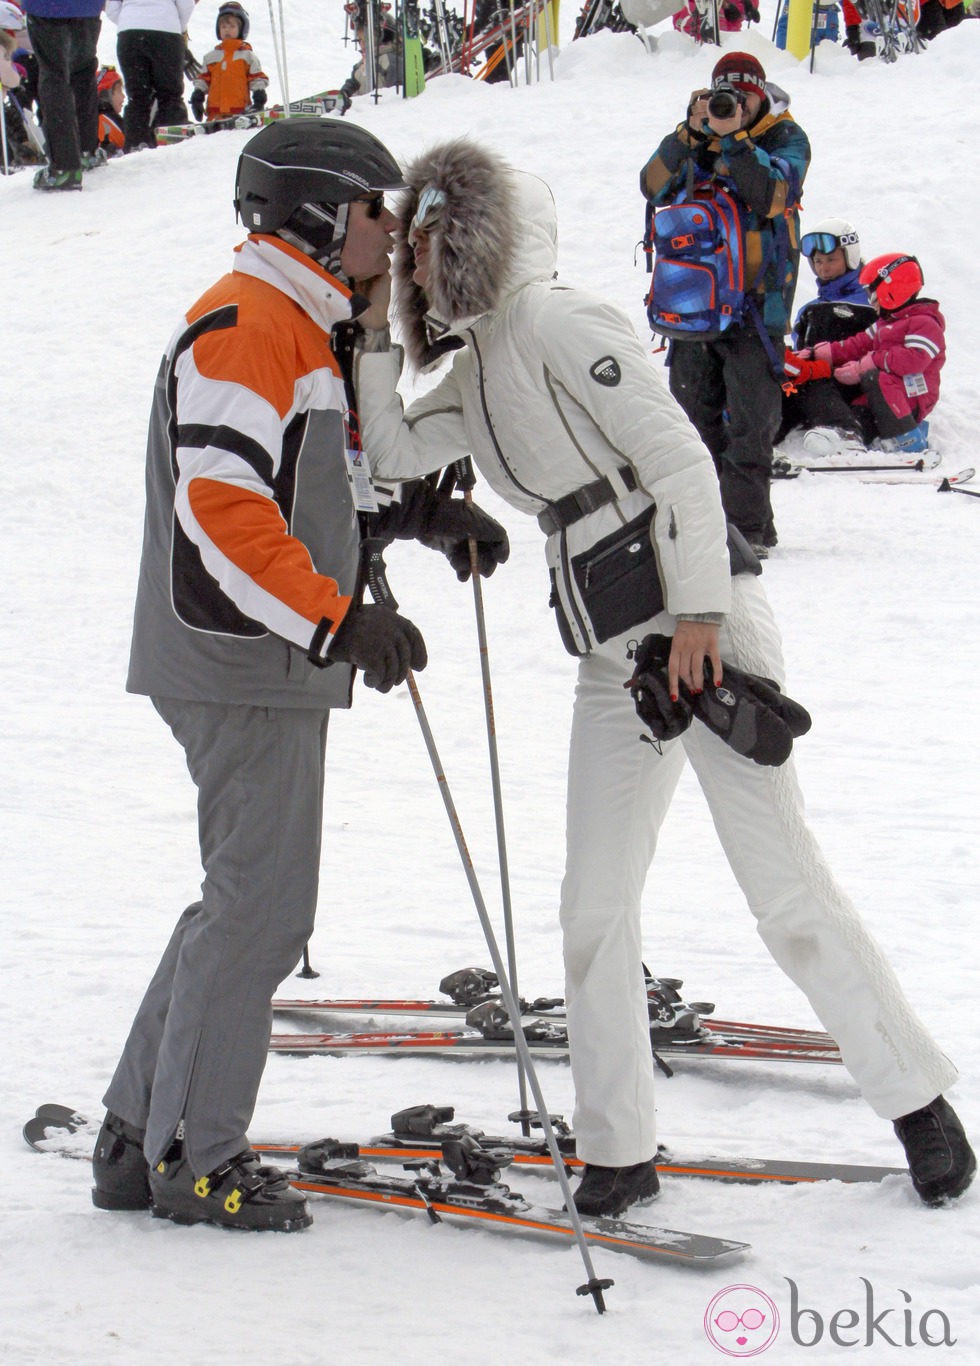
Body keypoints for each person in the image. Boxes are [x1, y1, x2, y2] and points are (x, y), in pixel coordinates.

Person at [352, 136, 975, 1217]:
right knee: (591, 905)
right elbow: (397, 448)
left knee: (782, 890)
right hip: (613, 657)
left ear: (480, 242)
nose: (413, 260)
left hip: (704, 626)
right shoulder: (475, 368)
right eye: (409, 248)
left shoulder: (559, 322)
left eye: (427, 242)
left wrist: (697, 611)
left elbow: (681, 457)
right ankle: (618, 1148)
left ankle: (919, 1102)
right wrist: (367, 332)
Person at [90, 119, 509, 1233]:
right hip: (241, 658)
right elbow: (222, 515)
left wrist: (419, 515)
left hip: (261, 655)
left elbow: (312, 483)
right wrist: (337, 623)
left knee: (239, 903)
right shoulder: (244, 327)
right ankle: (193, 1153)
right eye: (381, 209)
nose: (394, 232)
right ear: (324, 215)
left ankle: (140, 1132)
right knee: (261, 913)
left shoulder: (300, 325)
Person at [640, 51, 810, 558]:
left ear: (760, 94)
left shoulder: (785, 138)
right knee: (694, 424)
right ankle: (704, 525)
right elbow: (651, 186)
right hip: (694, 310)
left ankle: (748, 531)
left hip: (758, 311)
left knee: (751, 426)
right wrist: (686, 136)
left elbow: (772, 195)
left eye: (744, 95)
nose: (732, 103)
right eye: (724, 94)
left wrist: (735, 139)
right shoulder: (697, 138)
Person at [789, 252, 944, 458]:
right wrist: (820, 353)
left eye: (873, 293)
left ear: (892, 290)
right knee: (859, 410)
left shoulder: (924, 322)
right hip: (882, 396)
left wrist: (867, 364)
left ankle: (907, 437)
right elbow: (857, 344)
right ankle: (848, 439)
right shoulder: (885, 323)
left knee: (875, 377)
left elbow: (913, 361)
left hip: (912, 396)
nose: (871, 300)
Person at [777, 217, 876, 460]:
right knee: (782, 388)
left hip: (853, 382)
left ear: (850, 256)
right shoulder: (810, 310)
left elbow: (881, 341)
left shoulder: (871, 301)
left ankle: (846, 433)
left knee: (811, 382)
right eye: (818, 262)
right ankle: (760, 437)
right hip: (814, 385)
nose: (824, 268)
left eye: (831, 260)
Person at [22, 0, 104, 190]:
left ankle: (64, 167)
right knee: (83, 71)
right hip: (88, 7)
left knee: (54, 76)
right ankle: (86, 151)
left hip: (47, 7)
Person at [105, 0, 194, 151]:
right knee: (170, 95)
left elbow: (111, 7)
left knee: (138, 96)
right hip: (167, 32)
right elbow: (186, 4)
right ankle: (171, 142)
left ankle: (135, 144)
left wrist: (130, 19)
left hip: (130, 34)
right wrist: (177, 25)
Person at [189, 1, 266, 122]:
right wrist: (197, 97)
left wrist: (259, 96)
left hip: (240, 112)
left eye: (232, 26)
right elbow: (203, 80)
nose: (227, 30)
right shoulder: (210, 57)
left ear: (241, 29)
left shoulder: (247, 56)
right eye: (223, 27)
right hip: (214, 114)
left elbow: (256, 78)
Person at [95, 60, 124, 152]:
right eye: (119, 91)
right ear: (106, 94)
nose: (123, 96)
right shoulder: (107, 119)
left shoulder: (93, 119)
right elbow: (130, 141)